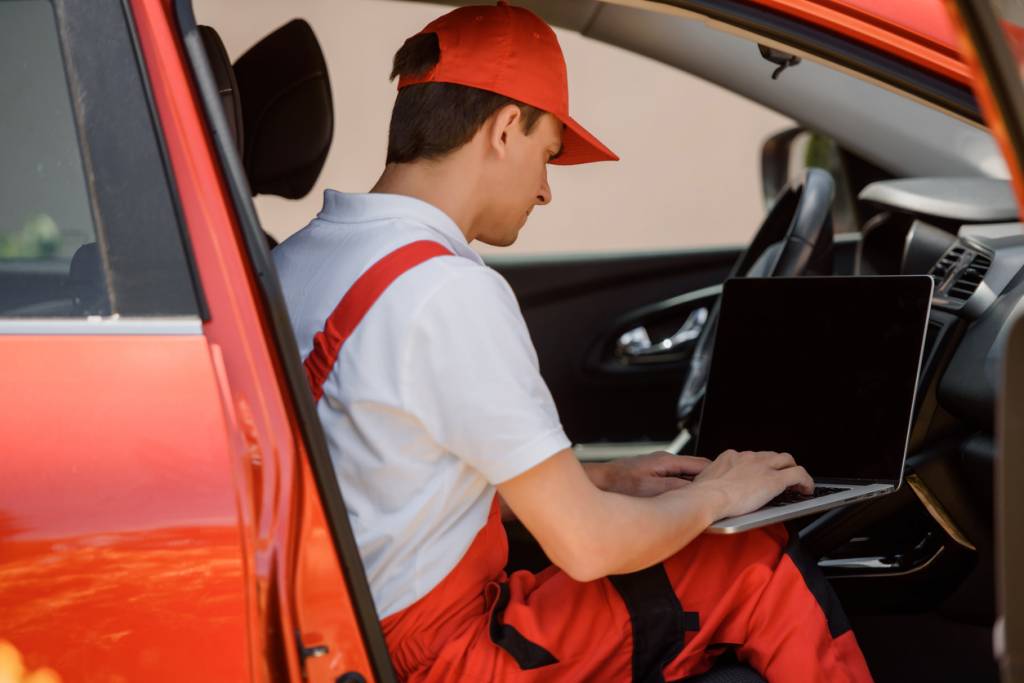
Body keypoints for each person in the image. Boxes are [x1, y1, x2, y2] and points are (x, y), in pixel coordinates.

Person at [273, 2, 873, 681]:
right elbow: (588, 546)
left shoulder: (296, 262)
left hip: (351, 632)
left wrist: (598, 480)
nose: (546, 190)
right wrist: (719, 494)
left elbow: (379, 478)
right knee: (751, 561)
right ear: (504, 129)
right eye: (548, 152)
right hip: (442, 658)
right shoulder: (446, 290)